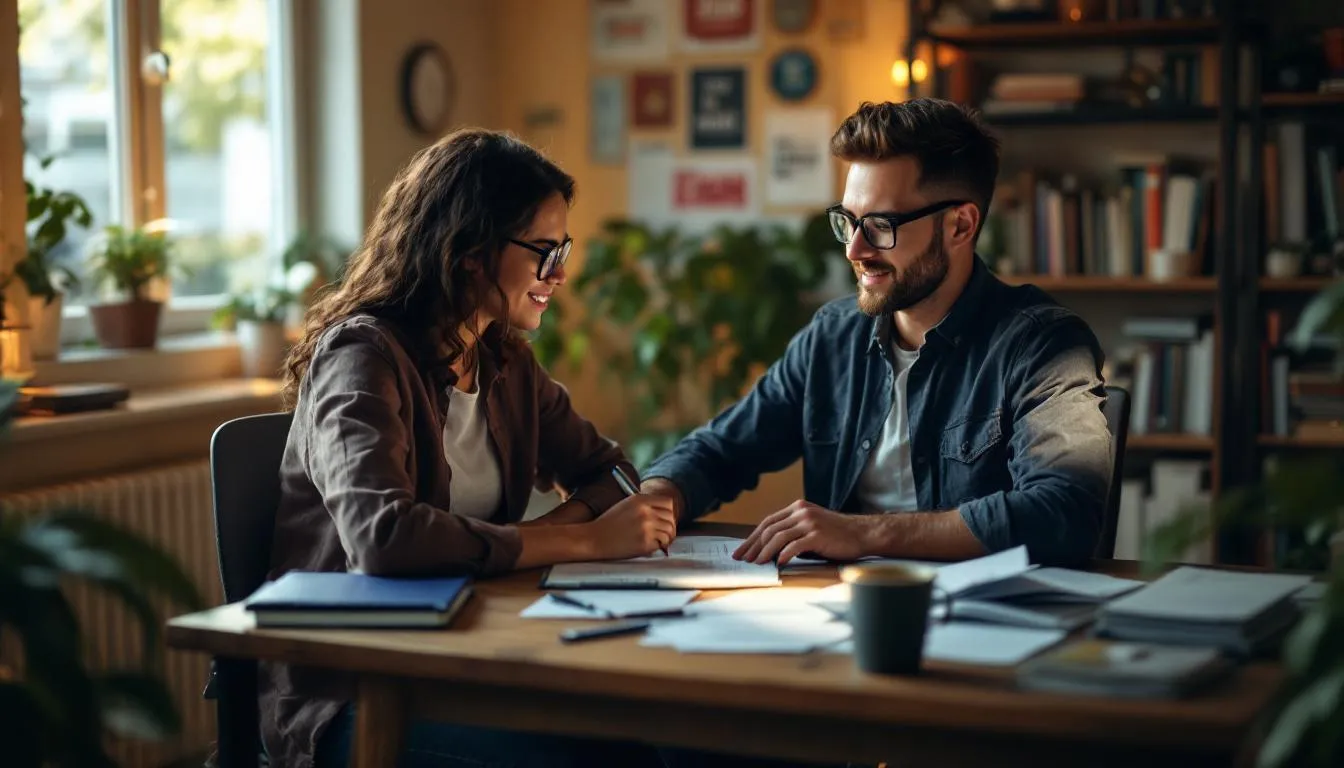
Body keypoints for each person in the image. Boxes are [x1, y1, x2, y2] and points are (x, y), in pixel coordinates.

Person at [265, 128, 672, 768]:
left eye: (562, 250)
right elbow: (383, 539)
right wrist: (586, 541)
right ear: (470, 252)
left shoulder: (504, 362)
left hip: (465, 656)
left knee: (646, 741)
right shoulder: (361, 356)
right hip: (355, 691)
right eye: (544, 251)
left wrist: (560, 530)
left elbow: (613, 473)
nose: (560, 274)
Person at [640, 98, 1112, 570]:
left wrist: (864, 532)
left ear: (960, 225)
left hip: (982, 607)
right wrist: (658, 499)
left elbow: (1064, 510)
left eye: (881, 225)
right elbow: (724, 449)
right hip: (839, 600)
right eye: (848, 221)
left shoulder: (1043, 345)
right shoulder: (832, 337)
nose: (854, 249)